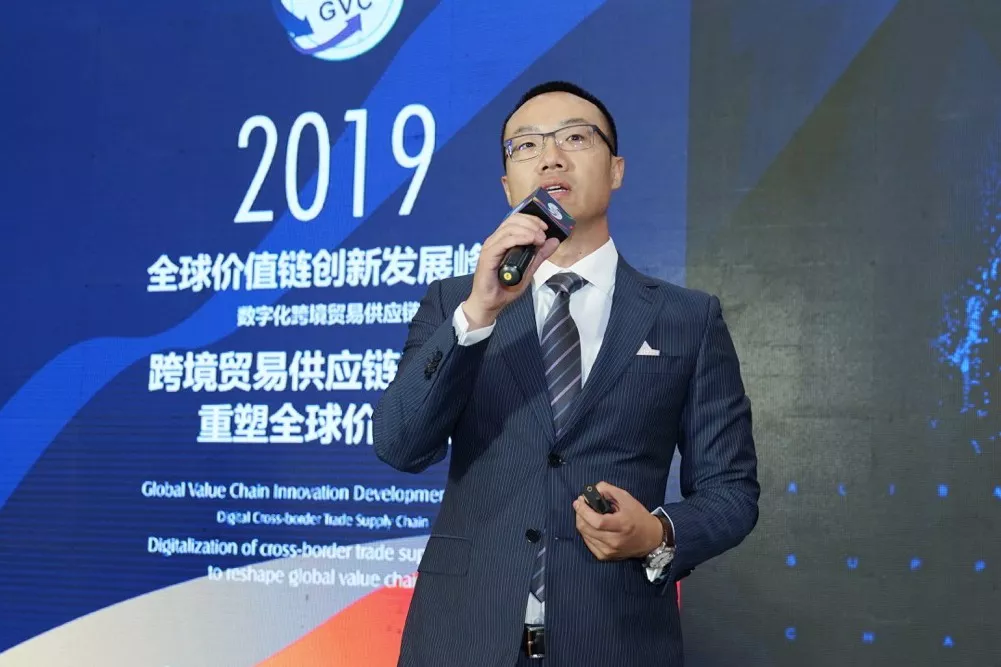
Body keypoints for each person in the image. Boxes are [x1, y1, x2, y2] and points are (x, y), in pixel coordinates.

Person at [372, 80, 759, 667]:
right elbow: (399, 446)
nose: (550, 157)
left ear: (616, 169)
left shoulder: (687, 318)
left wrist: (656, 535)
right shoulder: (456, 304)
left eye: (575, 138)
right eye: (526, 145)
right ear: (509, 186)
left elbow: (731, 491)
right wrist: (478, 314)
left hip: (616, 639)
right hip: (461, 639)